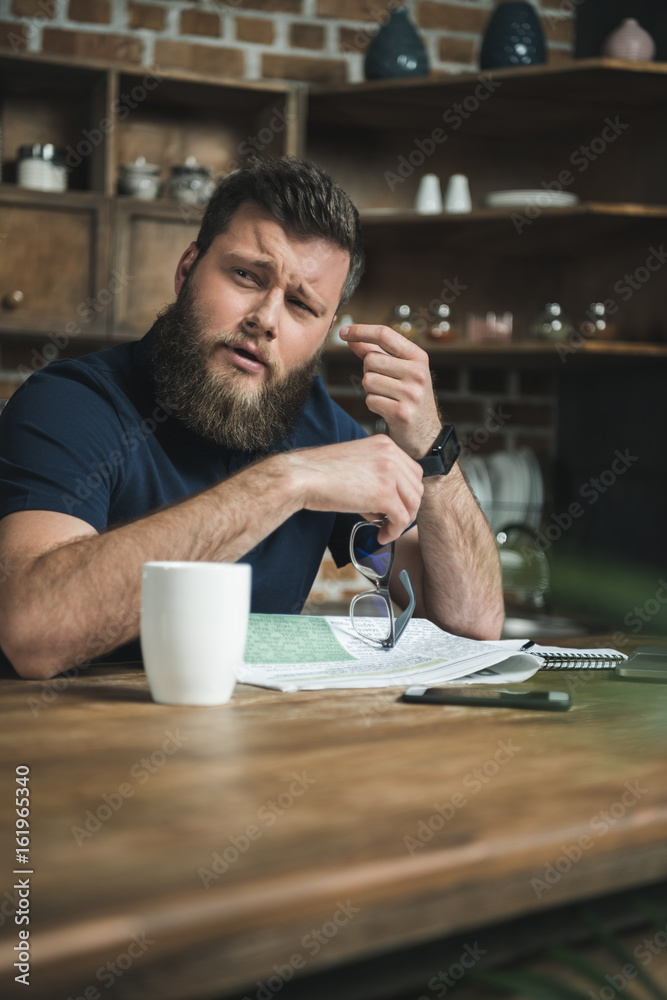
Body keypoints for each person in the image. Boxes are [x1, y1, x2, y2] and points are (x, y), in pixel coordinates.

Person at [0, 156, 503, 680]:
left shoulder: (318, 425)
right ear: (187, 269)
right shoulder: (71, 403)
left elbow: (471, 627)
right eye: (246, 275)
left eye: (302, 306)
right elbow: (34, 633)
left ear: (326, 329)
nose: (265, 318)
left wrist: (433, 449)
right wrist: (286, 483)